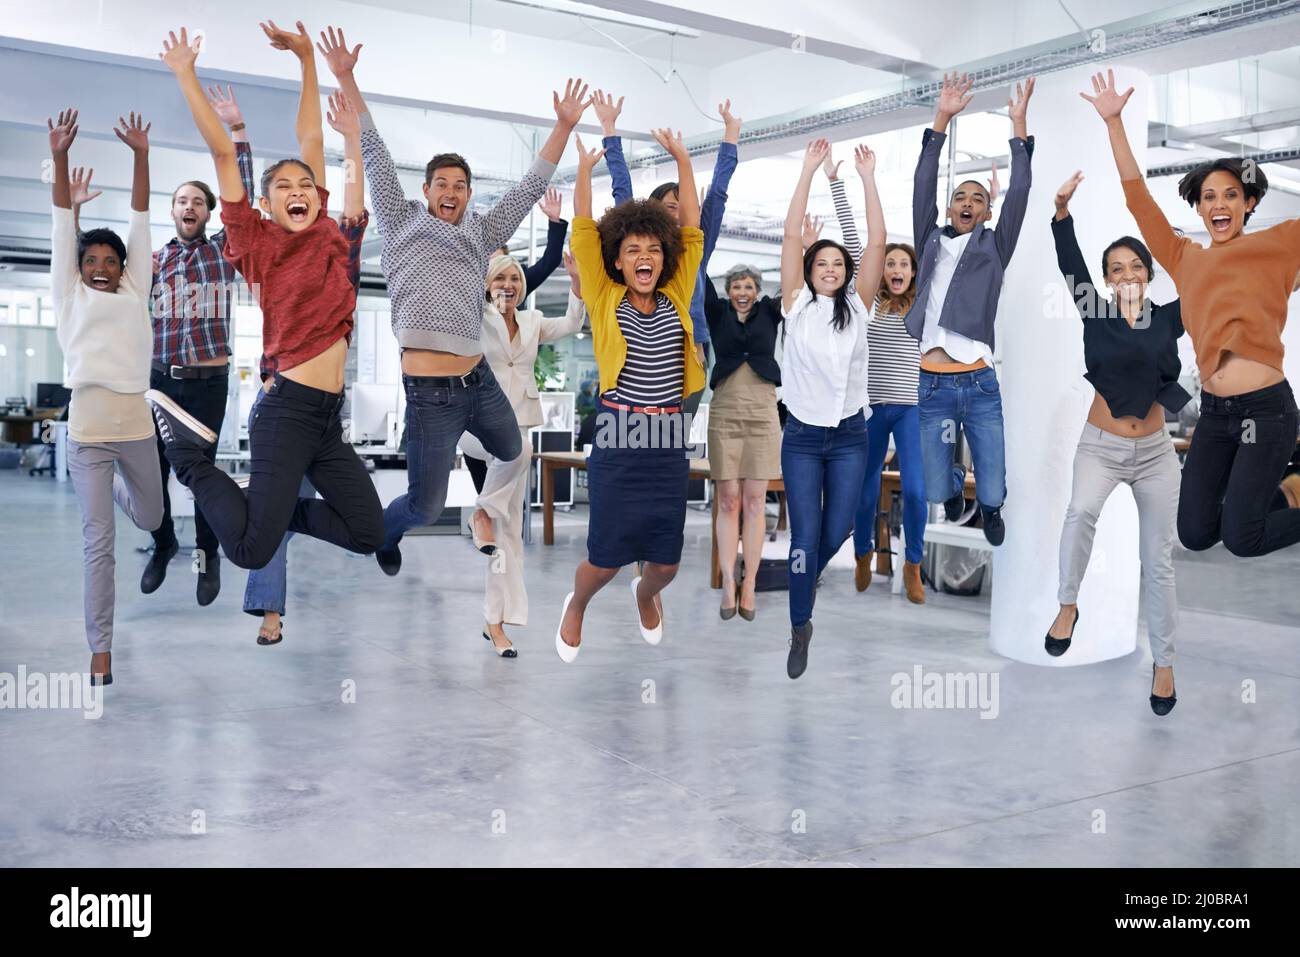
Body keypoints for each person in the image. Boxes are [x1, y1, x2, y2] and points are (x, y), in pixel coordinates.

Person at [318, 25, 589, 574]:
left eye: (459, 185)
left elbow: (531, 187)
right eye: (441, 183)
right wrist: (347, 77)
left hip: (478, 381)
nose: (450, 192)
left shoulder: (483, 233)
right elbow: (374, 152)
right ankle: (384, 536)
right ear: (426, 191)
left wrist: (562, 126)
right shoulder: (397, 222)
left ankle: (485, 517)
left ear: (468, 193)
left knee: (515, 451)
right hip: (429, 395)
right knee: (425, 504)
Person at [147, 23, 384, 570]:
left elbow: (312, 143)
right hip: (287, 412)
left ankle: (274, 508)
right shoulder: (252, 240)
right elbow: (223, 156)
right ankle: (189, 461)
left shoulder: (325, 227)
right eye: (285, 188)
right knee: (251, 552)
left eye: (306, 186)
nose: (299, 191)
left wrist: (307, 61)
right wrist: (186, 73)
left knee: (368, 532)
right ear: (266, 204)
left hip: (328, 417)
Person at [1085, 69, 1300, 562]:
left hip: (1267, 409)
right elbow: (1137, 198)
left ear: (1249, 203)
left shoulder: (1279, 244)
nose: (1219, 204)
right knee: (1198, 532)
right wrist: (1114, 122)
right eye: (1208, 197)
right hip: (1217, 416)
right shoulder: (1184, 258)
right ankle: (1286, 494)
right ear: (1199, 209)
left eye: (1230, 195)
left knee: (1244, 539)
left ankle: (1277, 503)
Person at [555, 128, 705, 662]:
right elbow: (581, 229)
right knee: (606, 557)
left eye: (651, 250)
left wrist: (685, 159)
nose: (644, 257)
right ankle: (578, 604)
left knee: (665, 562)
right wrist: (583, 171)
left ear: (662, 259)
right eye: (632, 250)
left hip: (666, 436)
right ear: (617, 261)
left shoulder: (676, 293)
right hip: (618, 434)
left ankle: (647, 596)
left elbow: (691, 230)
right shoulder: (603, 293)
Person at [1048, 170, 1189, 715]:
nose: (1126, 274)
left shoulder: (1169, 318)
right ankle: (1067, 606)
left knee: (1157, 560)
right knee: (1079, 512)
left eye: (1135, 266)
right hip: (1101, 446)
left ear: (1149, 274)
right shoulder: (1095, 312)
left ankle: (1165, 663)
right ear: (1106, 280)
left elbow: (1212, 289)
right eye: (1116, 269)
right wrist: (1062, 212)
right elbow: (1069, 262)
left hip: (1155, 454)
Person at [48, 107, 164, 686]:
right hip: (88, 434)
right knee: (100, 547)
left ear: (123, 268)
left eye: (109, 261)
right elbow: (59, 228)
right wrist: (60, 157)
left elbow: (140, 221)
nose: (99, 267)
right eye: (90, 260)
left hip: (137, 429)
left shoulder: (134, 288)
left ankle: (120, 489)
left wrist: (142, 156)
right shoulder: (68, 295)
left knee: (152, 514)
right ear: (78, 267)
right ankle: (101, 649)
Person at [907, 72, 1036, 547]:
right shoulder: (931, 241)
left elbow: (1020, 192)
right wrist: (941, 117)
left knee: (996, 484)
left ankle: (993, 505)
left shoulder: (995, 246)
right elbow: (923, 180)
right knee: (938, 489)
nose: (967, 202)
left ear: (987, 211)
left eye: (977, 198)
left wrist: (1018, 128)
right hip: (932, 385)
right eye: (960, 197)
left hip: (979, 382)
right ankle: (955, 482)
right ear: (949, 208)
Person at [140, 84, 256, 607]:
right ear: (172, 212)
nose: (189, 206)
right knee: (155, 472)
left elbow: (244, 199)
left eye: (197, 202)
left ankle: (207, 555)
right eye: (181, 201)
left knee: (203, 477)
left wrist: (238, 132)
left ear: (208, 213)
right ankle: (162, 544)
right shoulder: (152, 261)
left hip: (208, 384)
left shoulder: (220, 254)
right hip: (161, 381)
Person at [780, 138, 884, 679]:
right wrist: (807, 171)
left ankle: (795, 577)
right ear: (808, 269)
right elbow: (793, 232)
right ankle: (800, 624)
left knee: (838, 529)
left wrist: (865, 178)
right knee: (805, 535)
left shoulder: (860, 307)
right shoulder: (795, 303)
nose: (830, 267)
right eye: (820, 262)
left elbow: (877, 244)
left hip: (848, 437)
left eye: (836, 262)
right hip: (800, 436)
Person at [460, 252, 585, 656]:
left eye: (514, 279)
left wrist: (577, 282)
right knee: (521, 450)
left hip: (518, 424)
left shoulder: (531, 322)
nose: (508, 285)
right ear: (488, 285)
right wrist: (489, 305)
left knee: (507, 532)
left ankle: (494, 621)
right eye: (500, 279)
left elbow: (571, 323)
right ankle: (480, 513)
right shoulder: (476, 316)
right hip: (478, 430)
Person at [592, 90, 740, 401]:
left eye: (683, 207)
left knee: (673, 440)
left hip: (689, 350)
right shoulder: (640, 249)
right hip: (638, 349)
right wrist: (609, 132)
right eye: (669, 207)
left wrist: (731, 135)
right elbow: (623, 193)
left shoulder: (695, 250)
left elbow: (718, 195)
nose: (678, 213)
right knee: (637, 437)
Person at [826, 147, 926, 604]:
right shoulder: (865, 302)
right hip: (869, 410)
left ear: (913, 272)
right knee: (864, 497)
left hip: (908, 410)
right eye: (890, 263)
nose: (896, 268)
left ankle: (913, 565)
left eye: (904, 263)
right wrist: (844, 180)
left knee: (919, 492)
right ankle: (864, 552)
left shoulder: (924, 306)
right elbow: (855, 237)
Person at [702, 262, 781, 621]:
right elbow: (698, 269)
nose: (742, 294)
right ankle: (727, 583)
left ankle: (750, 583)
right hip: (725, 411)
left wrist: (806, 245)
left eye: (748, 287)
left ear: (757, 289)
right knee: (729, 499)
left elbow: (797, 282)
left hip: (763, 411)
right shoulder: (716, 311)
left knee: (754, 501)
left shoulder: (770, 311)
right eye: (736, 287)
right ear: (728, 290)